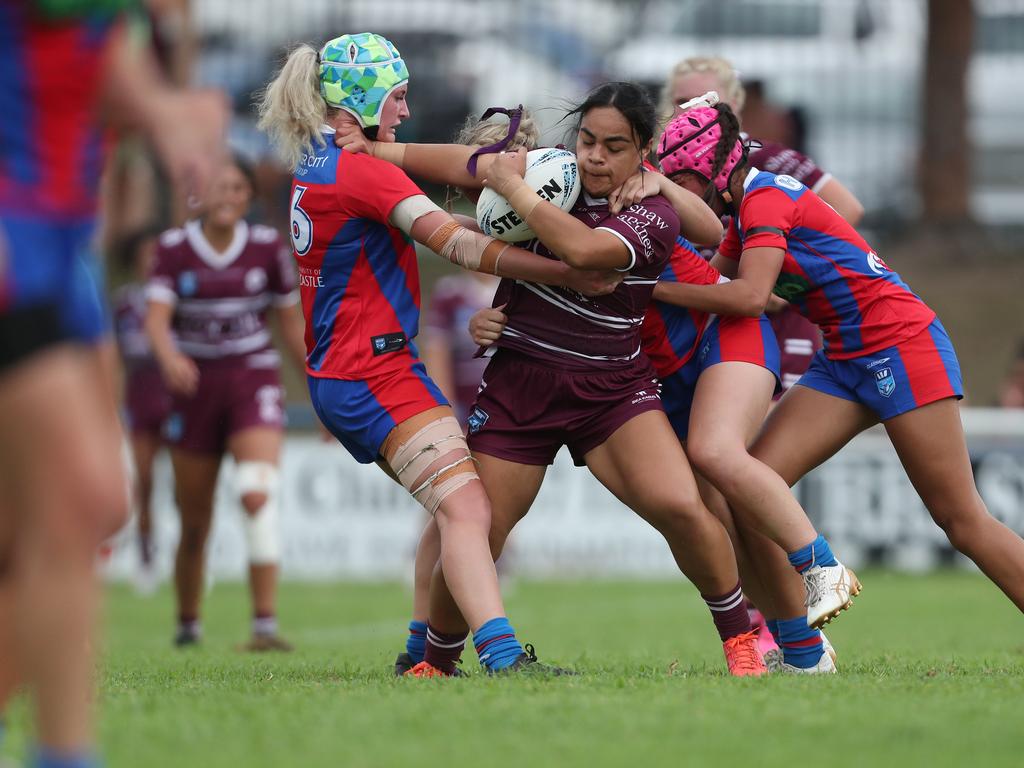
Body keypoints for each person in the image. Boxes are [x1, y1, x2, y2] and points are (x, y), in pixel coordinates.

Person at [338, 80, 770, 677]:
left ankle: (741, 642)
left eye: (614, 147)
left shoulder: (652, 211)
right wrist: (380, 153)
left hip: (612, 392)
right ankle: (434, 664)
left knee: (682, 507)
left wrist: (511, 185)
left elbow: (587, 253)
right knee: (478, 530)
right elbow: (470, 167)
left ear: (641, 150)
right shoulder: (552, 176)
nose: (595, 156)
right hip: (521, 387)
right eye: (588, 140)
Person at [257, 33, 625, 676]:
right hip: (371, 371)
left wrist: (510, 171)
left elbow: (465, 174)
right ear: (363, 98)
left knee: (452, 506)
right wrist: (564, 272)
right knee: (468, 508)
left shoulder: (319, 161)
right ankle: (503, 656)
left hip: (362, 369)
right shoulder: (360, 173)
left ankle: (423, 656)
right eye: (396, 97)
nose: (403, 110)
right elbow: (454, 244)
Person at [654, 99, 1024, 625]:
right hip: (846, 356)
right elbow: (705, 287)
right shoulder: (742, 214)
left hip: (900, 344)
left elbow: (750, 297)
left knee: (961, 521)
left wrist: (653, 287)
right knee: (751, 486)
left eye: (683, 181)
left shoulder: (764, 200)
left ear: (718, 167)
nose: (682, 197)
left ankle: (816, 589)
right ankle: (802, 645)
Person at [0, 1, 226, 764]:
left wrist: (162, 107)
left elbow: (97, 62)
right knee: (81, 497)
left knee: (86, 511)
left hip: (62, 248)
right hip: (13, 234)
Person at [145, 154, 305, 651]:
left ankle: (264, 625)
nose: (228, 196)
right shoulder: (172, 250)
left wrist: (320, 392)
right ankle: (188, 623)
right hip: (193, 388)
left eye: (238, 188)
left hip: (250, 379)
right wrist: (169, 355)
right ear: (200, 194)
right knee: (194, 521)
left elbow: (291, 327)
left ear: (249, 197)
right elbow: (154, 319)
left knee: (257, 493)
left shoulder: (266, 249)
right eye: (220, 186)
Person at [112, 227, 170, 593]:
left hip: (176, 400)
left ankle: (192, 555)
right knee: (144, 482)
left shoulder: (176, 298)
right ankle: (146, 558)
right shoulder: (124, 302)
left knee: (188, 486)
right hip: (140, 401)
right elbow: (115, 355)